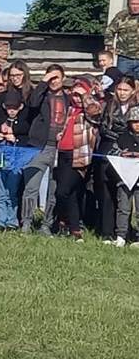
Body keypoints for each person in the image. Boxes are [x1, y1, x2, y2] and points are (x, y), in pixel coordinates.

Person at [51, 78, 102, 241]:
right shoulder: (71, 110)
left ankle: (62, 221)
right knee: (71, 194)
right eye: (73, 94)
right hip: (63, 154)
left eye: (78, 95)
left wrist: (85, 95)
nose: (76, 98)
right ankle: (75, 230)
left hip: (78, 156)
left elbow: (95, 111)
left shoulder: (89, 113)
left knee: (62, 191)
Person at [22, 65, 67, 235]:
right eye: (50, 78)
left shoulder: (68, 98)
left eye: (56, 77)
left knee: (53, 191)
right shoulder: (41, 96)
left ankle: (46, 225)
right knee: (31, 188)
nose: (53, 81)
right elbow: (32, 103)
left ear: (63, 78)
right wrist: (43, 81)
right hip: (38, 147)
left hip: (59, 149)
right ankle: (26, 223)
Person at [98, 77, 137, 242]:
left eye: (126, 90)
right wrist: (118, 140)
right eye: (119, 89)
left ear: (133, 91)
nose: (122, 93)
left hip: (131, 151)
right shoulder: (109, 106)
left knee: (127, 193)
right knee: (108, 193)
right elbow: (103, 128)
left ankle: (125, 232)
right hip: (109, 150)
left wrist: (126, 140)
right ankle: (108, 232)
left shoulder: (136, 108)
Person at [0, 91, 31, 231]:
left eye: (14, 107)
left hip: (15, 163)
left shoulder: (23, 124)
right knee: (0, 193)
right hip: (0, 161)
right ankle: (1, 220)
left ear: (20, 107)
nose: (11, 110)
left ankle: (12, 220)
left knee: (12, 193)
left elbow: (25, 141)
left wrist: (15, 139)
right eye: (8, 107)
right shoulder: (0, 121)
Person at [108, 106, 139, 247]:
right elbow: (112, 152)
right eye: (134, 121)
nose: (137, 124)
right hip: (124, 179)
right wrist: (121, 154)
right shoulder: (122, 137)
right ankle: (121, 236)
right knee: (123, 208)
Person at [105, 0, 139, 78]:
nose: (135, 7)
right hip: (125, 57)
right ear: (129, 4)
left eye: (138, 4)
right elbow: (109, 30)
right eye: (133, 4)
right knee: (121, 81)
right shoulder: (122, 16)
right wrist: (109, 46)